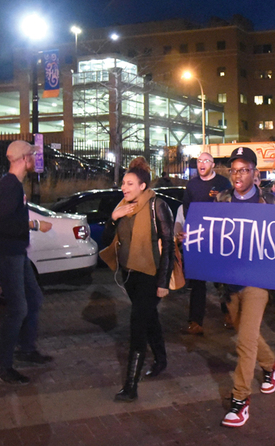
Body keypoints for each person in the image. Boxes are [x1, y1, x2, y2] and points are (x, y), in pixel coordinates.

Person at [214, 147, 275, 427]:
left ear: (255, 173)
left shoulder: (269, 202)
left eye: (244, 170)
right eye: (233, 170)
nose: (237, 175)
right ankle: (272, 366)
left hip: (258, 280)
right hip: (229, 282)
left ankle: (239, 400)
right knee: (246, 331)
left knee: (245, 341)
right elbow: (211, 233)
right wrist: (192, 238)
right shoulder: (222, 199)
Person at [100, 157, 174, 402]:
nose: (125, 187)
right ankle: (161, 359)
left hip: (150, 274)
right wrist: (113, 217)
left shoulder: (158, 206)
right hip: (129, 274)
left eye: (130, 183)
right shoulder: (122, 206)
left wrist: (163, 283)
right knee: (148, 316)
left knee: (138, 323)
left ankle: (130, 386)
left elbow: (169, 247)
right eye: (123, 183)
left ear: (142, 186)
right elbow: (107, 240)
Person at [0, 140, 53, 385]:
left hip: (15, 252)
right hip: (7, 254)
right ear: (24, 158)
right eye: (33, 156)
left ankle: (26, 348)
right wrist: (35, 225)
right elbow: (2, 222)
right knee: (18, 308)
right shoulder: (11, 185)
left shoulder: (10, 184)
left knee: (33, 299)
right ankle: (3, 367)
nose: (36, 160)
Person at [181, 152, 232, 335]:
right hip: (199, 239)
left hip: (219, 238)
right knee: (197, 281)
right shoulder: (192, 184)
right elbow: (186, 208)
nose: (202, 164)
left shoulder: (223, 183)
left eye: (206, 161)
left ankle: (229, 313)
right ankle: (195, 321)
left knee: (222, 280)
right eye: (199, 161)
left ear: (212, 164)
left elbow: (230, 206)